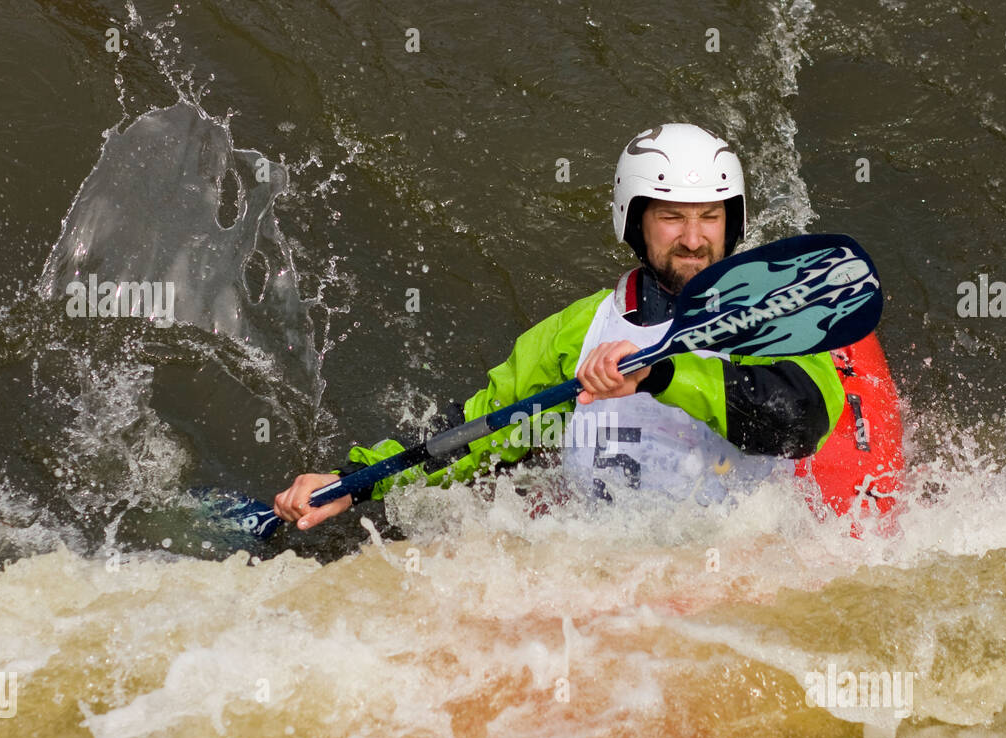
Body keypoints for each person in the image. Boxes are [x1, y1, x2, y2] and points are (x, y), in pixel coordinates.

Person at [273, 123, 846, 529]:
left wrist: (661, 375)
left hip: (734, 560)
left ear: (732, 222)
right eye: (672, 217)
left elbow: (800, 424)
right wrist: (355, 483)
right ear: (635, 222)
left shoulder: (774, 317)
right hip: (596, 565)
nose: (694, 239)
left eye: (710, 217)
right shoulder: (577, 331)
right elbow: (478, 432)